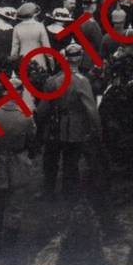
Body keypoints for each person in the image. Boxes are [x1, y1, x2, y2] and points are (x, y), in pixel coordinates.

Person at [36, 44, 102, 200]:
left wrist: (39, 124)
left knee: (50, 160)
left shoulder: (52, 81)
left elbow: (42, 109)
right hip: (75, 127)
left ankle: (48, 192)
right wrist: (97, 130)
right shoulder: (82, 82)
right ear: (80, 59)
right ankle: (70, 193)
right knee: (71, 161)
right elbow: (91, 109)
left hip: (54, 126)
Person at [0, 77, 36, 257]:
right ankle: (10, 246)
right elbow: (31, 140)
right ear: (20, 92)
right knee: (15, 207)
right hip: (18, 163)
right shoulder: (26, 115)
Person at [11, 2, 52, 69]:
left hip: (23, 60)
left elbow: (14, 50)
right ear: (34, 14)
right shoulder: (40, 26)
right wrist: (51, 62)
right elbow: (47, 48)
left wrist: (13, 64)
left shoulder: (17, 28)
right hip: (39, 59)